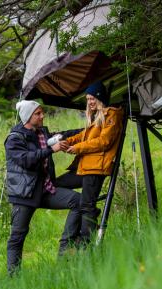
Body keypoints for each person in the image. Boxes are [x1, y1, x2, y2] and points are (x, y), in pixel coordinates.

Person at [4, 100, 81, 274]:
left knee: (78, 201)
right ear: (27, 117)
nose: (42, 116)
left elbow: (63, 134)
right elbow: (27, 160)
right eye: (37, 113)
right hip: (24, 195)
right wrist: (51, 150)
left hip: (45, 190)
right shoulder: (15, 138)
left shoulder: (42, 132)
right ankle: (13, 277)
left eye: (42, 112)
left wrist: (87, 130)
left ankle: (64, 252)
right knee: (17, 237)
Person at [55, 81, 124, 253]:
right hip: (84, 167)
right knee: (56, 184)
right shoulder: (95, 117)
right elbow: (82, 136)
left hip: (96, 168)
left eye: (92, 98)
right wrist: (67, 141)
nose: (90, 102)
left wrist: (76, 148)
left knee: (87, 205)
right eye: (88, 99)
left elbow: (104, 142)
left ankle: (85, 243)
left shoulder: (111, 115)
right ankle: (87, 214)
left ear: (100, 98)